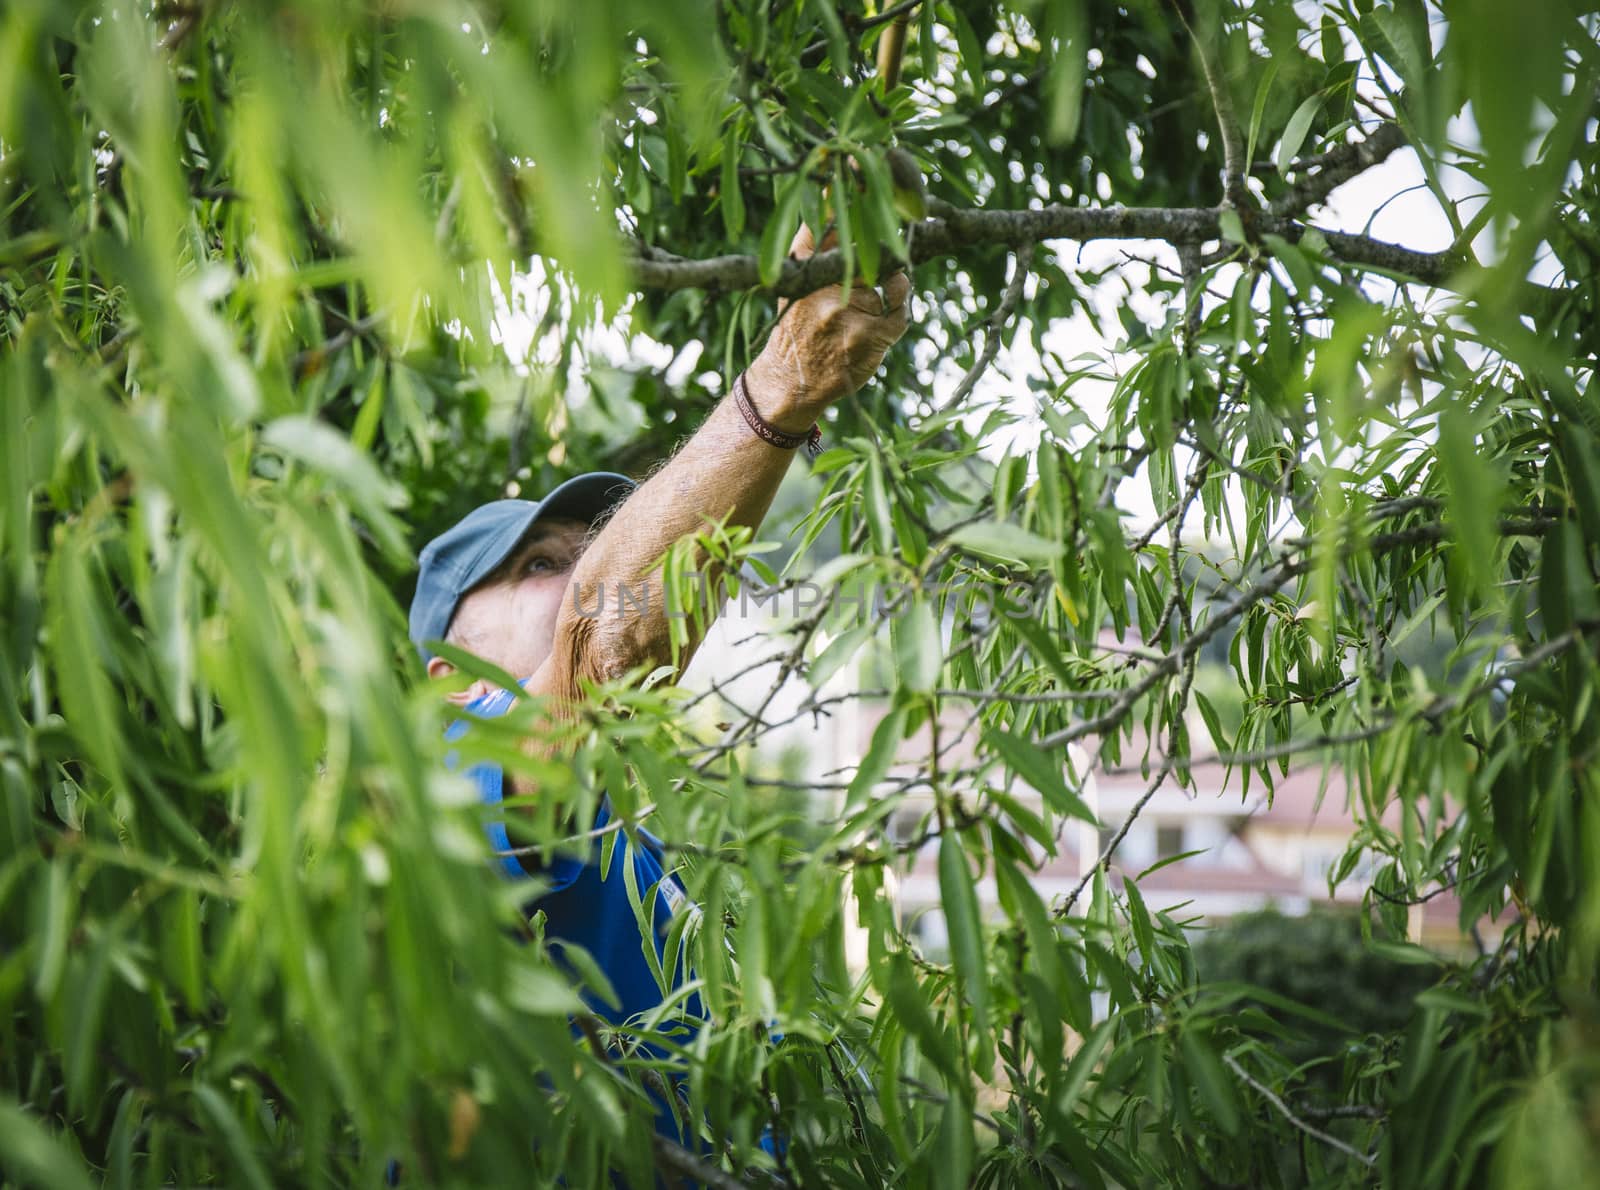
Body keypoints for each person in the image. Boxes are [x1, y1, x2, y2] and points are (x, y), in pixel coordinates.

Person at [404, 225, 912, 1160]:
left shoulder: (616, 836)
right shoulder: (440, 775)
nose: (580, 572)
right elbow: (604, 648)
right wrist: (783, 389)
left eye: (585, 549)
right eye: (538, 565)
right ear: (446, 677)